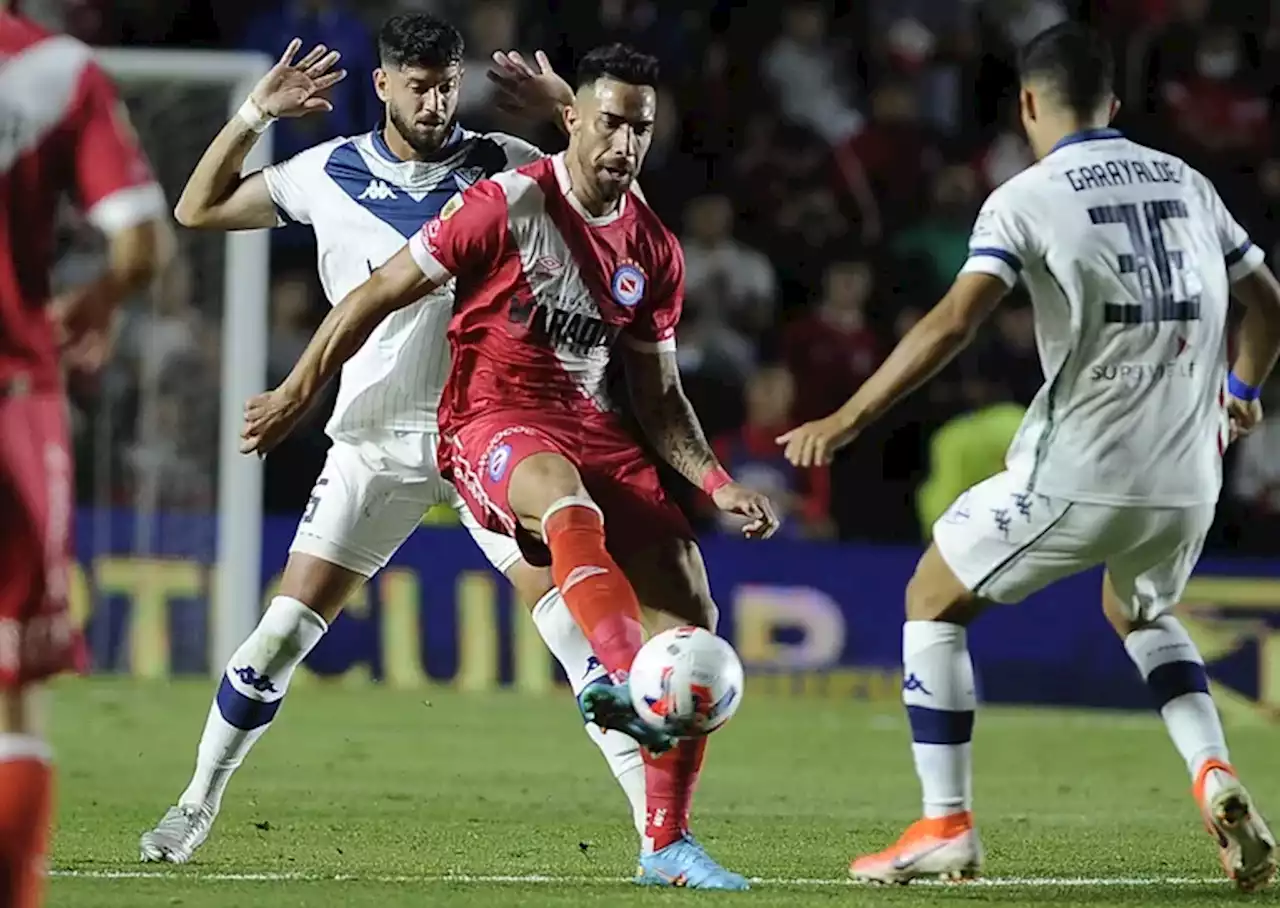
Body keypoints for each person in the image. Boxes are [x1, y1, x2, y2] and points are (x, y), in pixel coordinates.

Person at [239, 42, 779, 891]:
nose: (625, 145)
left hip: (595, 429)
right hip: (489, 421)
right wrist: (297, 391)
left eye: (640, 130)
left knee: (693, 612)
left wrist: (718, 484)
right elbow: (373, 294)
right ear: (575, 119)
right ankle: (609, 674)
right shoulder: (504, 203)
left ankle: (665, 844)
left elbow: (661, 398)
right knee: (566, 507)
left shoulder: (653, 250)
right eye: (610, 124)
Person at [779, 22, 1280, 891]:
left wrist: (849, 417)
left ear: (1027, 104)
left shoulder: (1027, 196)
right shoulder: (1189, 182)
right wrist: (1239, 394)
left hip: (1081, 471)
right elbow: (1267, 302)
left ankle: (946, 827)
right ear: (1115, 105)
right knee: (1143, 617)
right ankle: (1214, 772)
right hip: (1192, 477)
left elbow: (952, 322)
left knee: (930, 597)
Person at [138, 14, 648, 864]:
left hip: (488, 438)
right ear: (382, 85)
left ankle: (656, 833)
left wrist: (566, 107)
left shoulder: (506, 166)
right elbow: (196, 208)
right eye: (417, 83)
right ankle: (195, 803)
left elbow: (615, 207)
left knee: (575, 638)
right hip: (373, 442)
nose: (435, 99)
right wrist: (253, 115)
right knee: (279, 640)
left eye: (447, 82)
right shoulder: (326, 172)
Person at [0, 5, 169, 904]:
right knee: (13, 694)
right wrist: (101, 297)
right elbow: (143, 244)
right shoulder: (57, 71)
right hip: (13, 400)